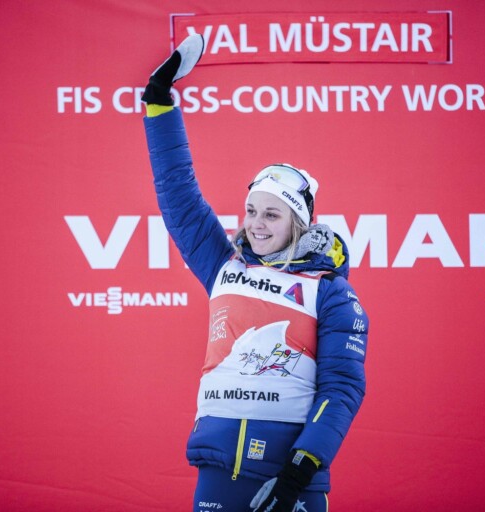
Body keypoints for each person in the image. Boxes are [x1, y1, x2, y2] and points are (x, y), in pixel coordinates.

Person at [141, 34, 369, 512]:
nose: (256, 224)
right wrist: (160, 105)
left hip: (291, 478)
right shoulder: (223, 265)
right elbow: (177, 192)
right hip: (217, 469)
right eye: (250, 211)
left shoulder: (330, 291)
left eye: (271, 214)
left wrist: (298, 472)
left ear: (298, 222)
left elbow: (342, 388)